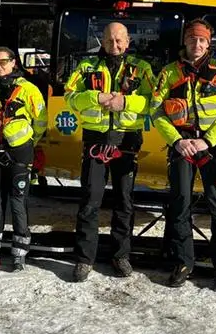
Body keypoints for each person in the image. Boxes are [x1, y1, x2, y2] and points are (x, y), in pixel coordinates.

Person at [151, 19, 216, 291]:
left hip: (211, 148)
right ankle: (183, 262)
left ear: (209, 43)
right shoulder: (168, 73)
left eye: (202, 40)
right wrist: (177, 141)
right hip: (182, 147)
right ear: (185, 42)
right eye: (192, 39)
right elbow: (156, 112)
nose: (197, 45)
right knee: (180, 204)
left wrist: (208, 141)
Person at [64, 22, 155, 282]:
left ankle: (120, 255)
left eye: (119, 40)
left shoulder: (142, 69)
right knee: (90, 202)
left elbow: (153, 101)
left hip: (126, 143)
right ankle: (84, 259)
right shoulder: (86, 68)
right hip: (95, 143)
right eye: (109, 40)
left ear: (127, 42)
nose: (114, 45)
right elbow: (70, 95)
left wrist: (125, 101)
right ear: (102, 41)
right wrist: (97, 98)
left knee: (124, 203)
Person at [0, 47, 47, 272]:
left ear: (13, 62)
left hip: (19, 154)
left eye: (3, 61)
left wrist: (28, 144)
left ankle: (19, 254)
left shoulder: (29, 90)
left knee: (18, 204)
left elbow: (41, 121)